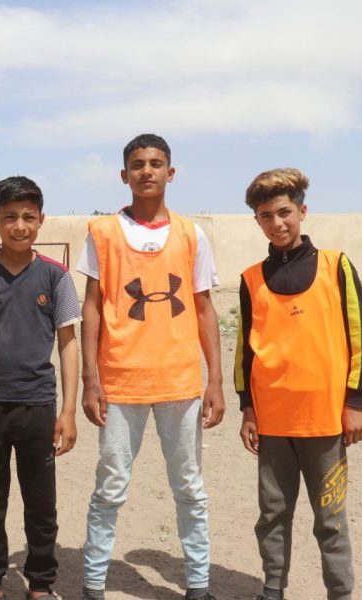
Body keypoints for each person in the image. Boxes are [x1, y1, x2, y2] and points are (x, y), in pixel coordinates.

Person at [77, 134, 225, 600]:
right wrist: (90, 379)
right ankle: (93, 584)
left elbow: (203, 308)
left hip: (179, 380)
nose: (147, 171)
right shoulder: (102, 232)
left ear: (170, 172)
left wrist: (216, 380)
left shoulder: (191, 233)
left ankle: (198, 584)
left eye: (156, 163)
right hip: (121, 381)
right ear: (124, 175)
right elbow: (92, 308)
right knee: (110, 487)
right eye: (138, 164)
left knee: (189, 488)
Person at [235, 168, 362, 600]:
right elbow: (245, 350)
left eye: (284, 212)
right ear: (257, 220)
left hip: (324, 420)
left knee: (330, 518)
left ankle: (340, 592)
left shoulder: (335, 265)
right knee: (272, 513)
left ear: (302, 211)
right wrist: (247, 408)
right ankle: (273, 588)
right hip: (272, 421)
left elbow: (361, 334)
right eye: (266, 216)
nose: (277, 223)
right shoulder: (251, 279)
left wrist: (355, 402)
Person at [0, 176, 81, 600]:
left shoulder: (56, 277)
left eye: (28, 217)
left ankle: (40, 583)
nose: (20, 226)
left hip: (36, 405)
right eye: (10, 217)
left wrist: (67, 411)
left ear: (41, 220)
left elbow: (68, 344)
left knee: (40, 502)